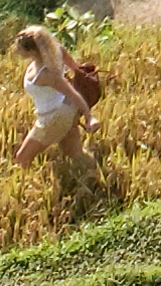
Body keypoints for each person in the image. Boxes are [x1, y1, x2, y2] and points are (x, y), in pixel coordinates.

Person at [12, 24, 99, 184]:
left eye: (20, 49)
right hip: (67, 112)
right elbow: (77, 69)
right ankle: (98, 179)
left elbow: (73, 94)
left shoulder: (45, 74)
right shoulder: (58, 51)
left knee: (22, 158)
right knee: (75, 154)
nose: (17, 51)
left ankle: (24, 191)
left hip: (52, 118)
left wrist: (89, 117)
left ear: (33, 51)